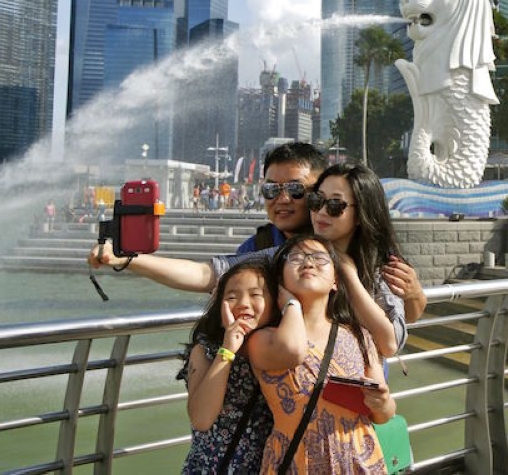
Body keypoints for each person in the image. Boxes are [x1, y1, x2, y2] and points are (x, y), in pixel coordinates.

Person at [87, 144, 427, 331]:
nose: (281, 199)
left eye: (295, 189)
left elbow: (401, 322)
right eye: (270, 189)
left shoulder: (369, 251)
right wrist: (129, 259)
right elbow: (210, 274)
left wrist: (414, 294)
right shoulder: (267, 250)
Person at [247, 234, 394, 474]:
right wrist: (291, 305)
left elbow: (384, 415)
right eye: (295, 258)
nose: (308, 263)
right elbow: (293, 350)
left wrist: (383, 402)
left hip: (357, 461)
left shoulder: (360, 336)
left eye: (319, 258)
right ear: (281, 279)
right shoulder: (264, 339)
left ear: (335, 280)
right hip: (296, 461)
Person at [179, 256, 277, 474]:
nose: (243, 303)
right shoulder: (204, 351)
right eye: (232, 296)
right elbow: (201, 419)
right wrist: (227, 351)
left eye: (255, 295)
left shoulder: (278, 350)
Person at [306, 162, 412, 356]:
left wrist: (348, 273)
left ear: (360, 214)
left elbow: (391, 342)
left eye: (335, 205)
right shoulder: (296, 257)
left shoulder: (380, 269)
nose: (321, 212)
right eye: (316, 200)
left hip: (352, 382)